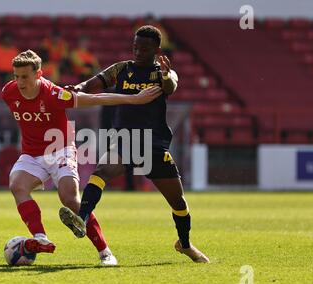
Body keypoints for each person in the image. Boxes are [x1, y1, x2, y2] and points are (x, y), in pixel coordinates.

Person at [59, 25, 210, 263]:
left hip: (153, 145)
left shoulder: (163, 72)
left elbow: (171, 85)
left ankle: (185, 244)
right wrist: (75, 89)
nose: (138, 52)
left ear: (156, 50)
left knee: (178, 201)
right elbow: (92, 85)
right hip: (125, 140)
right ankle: (83, 218)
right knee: (102, 171)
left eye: (145, 48)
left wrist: (166, 77)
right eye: (135, 47)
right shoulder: (121, 69)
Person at [1, 50, 162, 265]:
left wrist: (134, 99)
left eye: (25, 77)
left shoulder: (54, 94)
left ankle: (105, 252)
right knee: (17, 185)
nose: (19, 82)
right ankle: (40, 237)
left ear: (38, 74)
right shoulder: (8, 92)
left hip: (60, 149)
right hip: (31, 153)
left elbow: (96, 98)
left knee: (69, 199)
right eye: (16, 76)